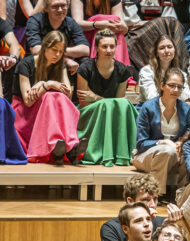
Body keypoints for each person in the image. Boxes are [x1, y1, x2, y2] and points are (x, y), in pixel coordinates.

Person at [12, 30, 85, 164]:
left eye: (61, 51)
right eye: (53, 50)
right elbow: (27, 101)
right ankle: (61, 146)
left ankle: (67, 147)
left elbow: (67, 94)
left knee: (58, 97)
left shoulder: (60, 65)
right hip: (24, 112)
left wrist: (46, 86)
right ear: (44, 47)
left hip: (47, 110)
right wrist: (47, 85)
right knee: (50, 97)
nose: (57, 55)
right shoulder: (25, 64)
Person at [76, 29, 137, 166]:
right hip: (89, 114)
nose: (109, 50)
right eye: (104, 46)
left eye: (112, 46)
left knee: (123, 105)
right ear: (96, 48)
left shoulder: (122, 70)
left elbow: (119, 102)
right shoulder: (85, 68)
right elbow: (84, 102)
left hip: (110, 113)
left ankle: (121, 154)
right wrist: (104, 102)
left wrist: (96, 98)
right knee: (111, 105)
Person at [133, 67, 190, 195]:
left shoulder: (186, 109)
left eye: (179, 87)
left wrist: (181, 143)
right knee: (167, 150)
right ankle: (156, 194)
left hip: (175, 156)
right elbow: (141, 143)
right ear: (162, 86)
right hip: (146, 156)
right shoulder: (148, 107)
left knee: (188, 151)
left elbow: (189, 135)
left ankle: (183, 194)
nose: (176, 90)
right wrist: (163, 143)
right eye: (171, 85)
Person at [25, 0, 89, 77]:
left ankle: (81, 88)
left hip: (60, 62)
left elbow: (85, 49)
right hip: (39, 63)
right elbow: (36, 50)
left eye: (63, 6)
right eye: (55, 6)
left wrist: (60, 53)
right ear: (46, 8)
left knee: (85, 61)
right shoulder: (35, 20)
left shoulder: (70, 22)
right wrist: (65, 60)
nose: (60, 10)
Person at [138, 34, 190, 105]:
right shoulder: (147, 71)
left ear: (174, 50)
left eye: (169, 47)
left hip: (174, 108)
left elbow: (187, 94)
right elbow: (151, 97)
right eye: (162, 48)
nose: (166, 51)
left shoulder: (181, 73)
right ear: (156, 53)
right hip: (150, 109)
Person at [70, 0, 129, 66]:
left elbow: (124, 28)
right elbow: (76, 23)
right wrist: (97, 24)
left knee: (114, 19)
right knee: (99, 18)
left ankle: (116, 65)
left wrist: (119, 26)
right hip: (86, 38)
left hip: (108, 36)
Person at [0, 14, 22, 99]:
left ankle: (8, 101)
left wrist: (12, 58)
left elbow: (14, 45)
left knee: (16, 60)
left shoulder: (1, 22)